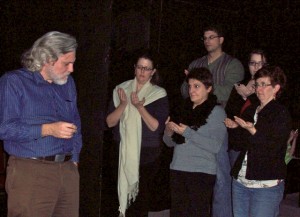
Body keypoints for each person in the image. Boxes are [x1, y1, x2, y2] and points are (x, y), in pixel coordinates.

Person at [0, 31, 82, 217]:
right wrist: (48, 129)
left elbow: (76, 121)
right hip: (30, 171)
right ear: (47, 59)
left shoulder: (68, 84)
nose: (71, 69)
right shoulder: (14, 82)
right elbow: (4, 128)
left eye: (73, 62)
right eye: (66, 63)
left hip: (67, 170)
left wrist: (75, 158)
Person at [180, 24, 244, 217]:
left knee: (222, 179)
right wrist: (196, 86)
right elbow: (184, 91)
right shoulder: (196, 63)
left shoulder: (233, 64)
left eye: (211, 37)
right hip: (195, 122)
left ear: (221, 40)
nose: (207, 41)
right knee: (193, 176)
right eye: (205, 37)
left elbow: (228, 92)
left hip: (219, 125)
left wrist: (200, 85)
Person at [106, 49, 169, 217]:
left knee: (140, 201)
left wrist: (140, 107)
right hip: (122, 150)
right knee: (119, 197)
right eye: (140, 67)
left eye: (147, 68)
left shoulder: (158, 93)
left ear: (153, 72)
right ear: (134, 68)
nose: (142, 71)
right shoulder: (121, 89)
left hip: (148, 153)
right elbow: (110, 122)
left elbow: (156, 126)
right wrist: (122, 105)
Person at [224, 66, 292, 217]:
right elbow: (240, 145)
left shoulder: (280, 113)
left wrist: (252, 130)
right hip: (241, 183)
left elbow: (273, 147)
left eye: (264, 84)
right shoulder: (251, 109)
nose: (259, 89)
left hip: (266, 185)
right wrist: (235, 128)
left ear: (276, 88)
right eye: (257, 84)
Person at [163, 67, 227, 217]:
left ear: (208, 88)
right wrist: (168, 131)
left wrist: (187, 132)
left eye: (196, 86)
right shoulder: (182, 108)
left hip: (201, 172)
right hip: (178, 168)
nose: (191, 90)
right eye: (190, 86)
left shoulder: (217, 112)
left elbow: (215, 146)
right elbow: (169, 143)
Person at [225, 49, 267, 167]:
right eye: (252, 63)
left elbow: (265, 113)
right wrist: (243, 97)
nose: (256, 67)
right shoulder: (240, 85)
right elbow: (229, 112)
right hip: (238, 142)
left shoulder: (270, 87)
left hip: (258, 144)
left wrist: (249, 96)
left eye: (260, 63)